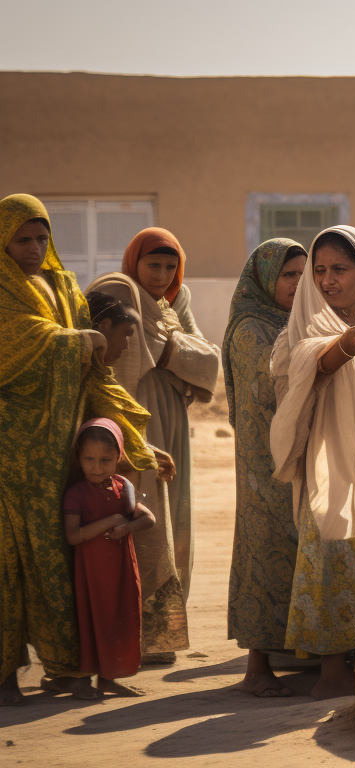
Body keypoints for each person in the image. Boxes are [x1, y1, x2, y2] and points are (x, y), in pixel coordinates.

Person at [1, 193, 159, 705]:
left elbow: (95, 370)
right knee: (9, 561)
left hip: (60, 453)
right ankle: (4, 674)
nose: (33, 247)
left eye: (41, 237)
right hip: (12, 452)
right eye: (22, 239)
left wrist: (135, 440)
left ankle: (67, 667)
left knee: (57, 560)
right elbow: (17, 343)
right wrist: (72, 340)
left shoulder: (63, 284)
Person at [268, 225, 355, 699]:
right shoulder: (308, 325)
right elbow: (308, 366)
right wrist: (343, 347)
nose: (328, 281)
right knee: (332, 554)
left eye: (340, 270)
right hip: (330, 467)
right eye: (320, 270)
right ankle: (330, 671)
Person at [88, 227, 221, 663]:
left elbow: (209, 363)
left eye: (170, 266)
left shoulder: (171, 307)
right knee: (138, 515)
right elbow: (113, 372)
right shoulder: (117, 291)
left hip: (173, 423)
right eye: (153, 264)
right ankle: (127, 634)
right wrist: (175, 357)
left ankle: (160, 634)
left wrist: (166, 350)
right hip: (131, 421)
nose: (162, 275)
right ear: (134, 261)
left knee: (173, 519)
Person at [223, 238, 305, 698]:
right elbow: (272, 389)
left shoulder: (296, 322)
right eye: (287, 275)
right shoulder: (252, 329)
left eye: (302, 274)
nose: (296, 283)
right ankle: (257, 667)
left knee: (299, 551)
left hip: (296, 453)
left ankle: (297, 653)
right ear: (265, 278)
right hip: (263, 464)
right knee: (264, 552)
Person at [64, 418, 157, 698]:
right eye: (88, 459)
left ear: (119, 457)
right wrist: (113, 520)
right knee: (95, 618)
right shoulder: (76, 494)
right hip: (91, 572)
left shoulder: (122, 487)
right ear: (78, 458)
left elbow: (149, 519)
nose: (96, 467)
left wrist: (128, 526)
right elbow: (73, 536)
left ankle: (109, 677)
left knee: (121, 616)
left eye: (106, 460)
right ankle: (85, 678)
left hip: (121, 569)